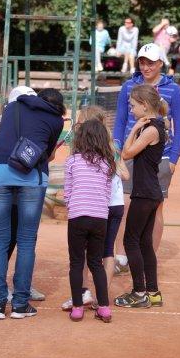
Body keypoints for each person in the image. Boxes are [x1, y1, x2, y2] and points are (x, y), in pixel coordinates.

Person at [0, 87, 65, 319]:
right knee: (27, 240)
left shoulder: (13, 107)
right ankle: (20, 305)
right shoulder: (56, 120)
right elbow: (47, 155)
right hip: (31, 176)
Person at [113, 43, 180, 274]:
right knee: (123, 206)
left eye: (151, 62)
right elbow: (119, 121)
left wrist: (173, 160)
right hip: (130, 153)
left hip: (160, 157)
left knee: (156, 209)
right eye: (142, 62)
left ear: (160, 64)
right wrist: (117, 151)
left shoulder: (173, 90)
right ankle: (121, 258)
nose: (146, 66)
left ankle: (148, 260)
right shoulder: (128, 87)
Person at [61, 105, 129, 311]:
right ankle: (103, 300)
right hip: (109, 206)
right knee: (105, 253)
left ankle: (82, 296)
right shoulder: (112, 148)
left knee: (79, 257)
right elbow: (124, 175)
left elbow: (69, 189)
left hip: (91, 209)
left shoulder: (77, 154)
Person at [114, 85, 168, 308]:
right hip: (150, 192)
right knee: (145, 243)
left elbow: (126, 153)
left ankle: (139, 292)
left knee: (130, 241)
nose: (132, 110)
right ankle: (153, 292)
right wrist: (136, 127)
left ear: (145, 106)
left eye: (134, 106)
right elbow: (128, 153)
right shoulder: (154, 126)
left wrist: (135, 129)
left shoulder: (151, 130)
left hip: (145, 194)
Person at [64, 119, 116, 323]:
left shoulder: (72, 161)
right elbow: (106, 192)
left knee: (76, 263)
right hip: (100, 218)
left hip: (77, 216)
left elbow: (67, 193)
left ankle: (77, 308)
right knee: (96, 263)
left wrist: (74, 208)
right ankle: (103, 307)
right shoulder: (107, 163)